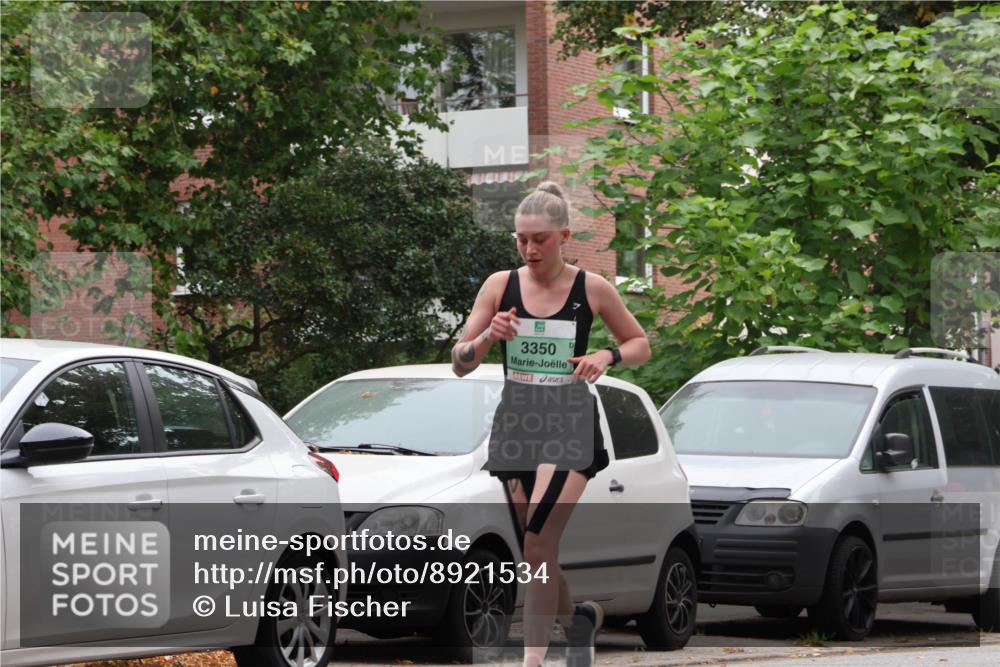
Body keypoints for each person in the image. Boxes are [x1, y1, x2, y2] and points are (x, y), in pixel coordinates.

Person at [451, 182, 651, 667]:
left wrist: (606, 355)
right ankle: (577, 620)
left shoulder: (592, 288)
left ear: (564, 236)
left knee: (539, 542)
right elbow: (459, 362)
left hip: (569, 421)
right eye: (521, 239)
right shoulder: (499, 286)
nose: (529, 249)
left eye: (539, 239)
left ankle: (533, 660)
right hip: (517, 422)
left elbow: (640, 343)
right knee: (535, 549)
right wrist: (487, 337)